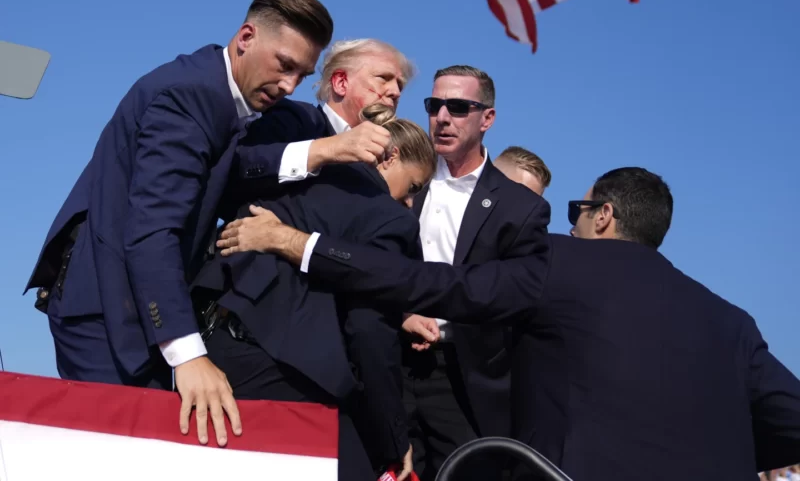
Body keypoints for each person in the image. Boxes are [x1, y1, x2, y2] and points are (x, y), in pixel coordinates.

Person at [217, 167, 800, 480]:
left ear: (604, 216)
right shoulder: (734, 323)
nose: (570, 225)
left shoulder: (558, 263)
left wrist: (300, 244)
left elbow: (434, 284)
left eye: (578, 211)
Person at [24, 0, 333, 447]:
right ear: (246, 36)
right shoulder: (191, 96)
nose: (290, 85)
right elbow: (152, 230)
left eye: (302, 76)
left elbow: (232, 163)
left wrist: (324, 149)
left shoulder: (219, 93)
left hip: (134, 314)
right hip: (106, 315)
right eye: (284, 65)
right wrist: (188, 354)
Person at [192, 103, 436, 480]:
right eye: (413, 188)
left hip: (209, 349)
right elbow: (369, 329)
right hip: (283, 372)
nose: (409, 203)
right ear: (390, 158)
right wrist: (394, 436)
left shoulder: (303, 176)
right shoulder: (391, 220)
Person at [392, 65, 549, 480]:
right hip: (391, 364)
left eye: (458, 107)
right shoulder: (398, 181)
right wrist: (401, 314)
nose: (442, 117)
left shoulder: (521, 207)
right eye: (434, 105)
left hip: (466, 379)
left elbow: (518, 295)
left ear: (487, 118)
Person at [223, 37, 413, 212]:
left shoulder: (390, 161)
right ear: (341, 82)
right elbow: (237, 167)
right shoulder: (296, 119)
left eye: (400, 86)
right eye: (383, 78)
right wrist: (329, 149)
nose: (395, 92)